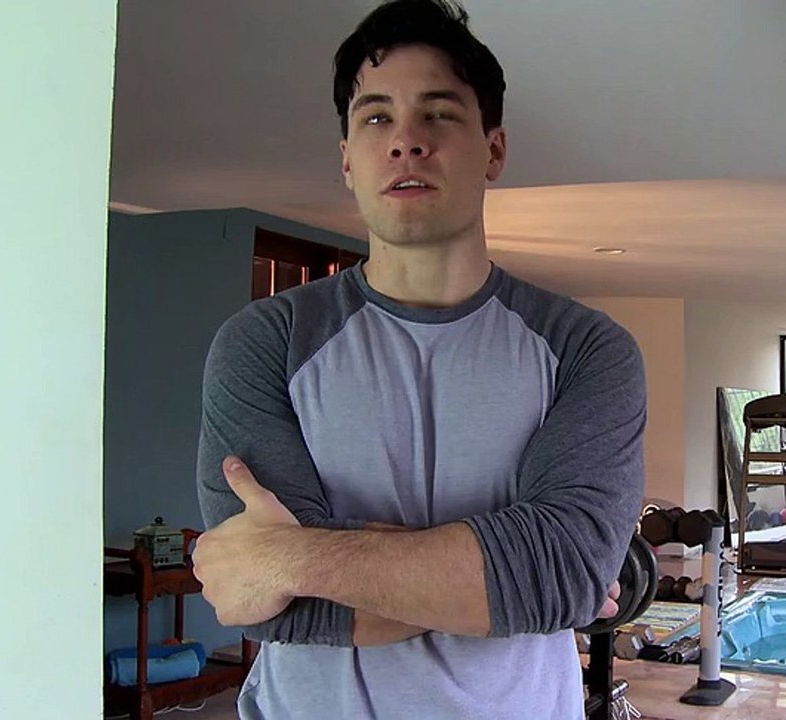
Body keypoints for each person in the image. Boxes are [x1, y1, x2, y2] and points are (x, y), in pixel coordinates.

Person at [190, 1, 647, 717]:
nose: (406, 141)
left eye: (439, 114)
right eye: (376, 117)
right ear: (347, 158)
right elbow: (269, 610)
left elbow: (562, 572)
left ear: (493, 150)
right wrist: (507, 576)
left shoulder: (588, 350)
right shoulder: (263, 342)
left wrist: (289, 556)